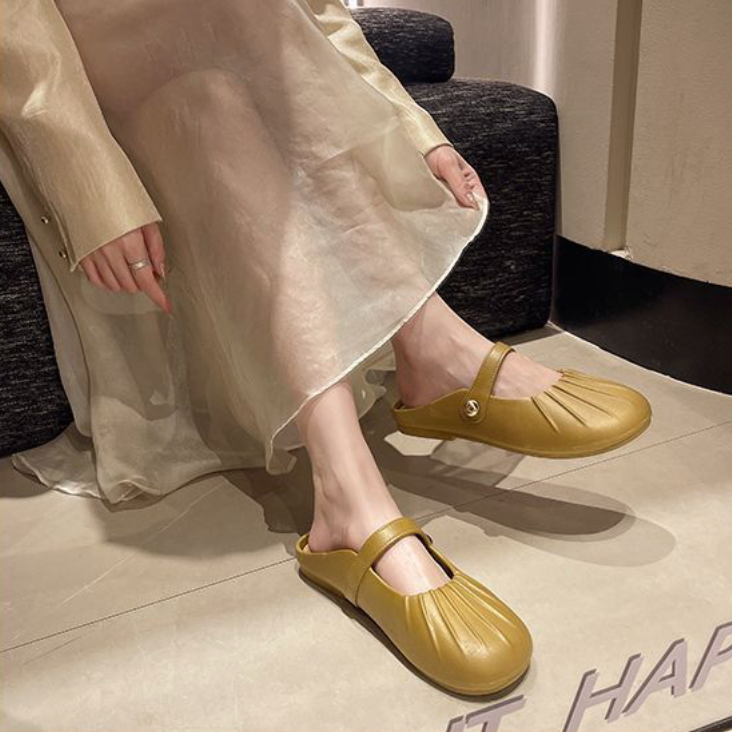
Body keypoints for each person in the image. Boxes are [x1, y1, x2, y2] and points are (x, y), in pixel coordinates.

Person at [0, 0, 650, 695]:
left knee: (246, 61)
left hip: (236, 47)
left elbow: (309, 9)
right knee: (210, 93)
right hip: (81, 83)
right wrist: (90, 181)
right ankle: (359, 479)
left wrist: (411, 128)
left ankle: (422, 364)